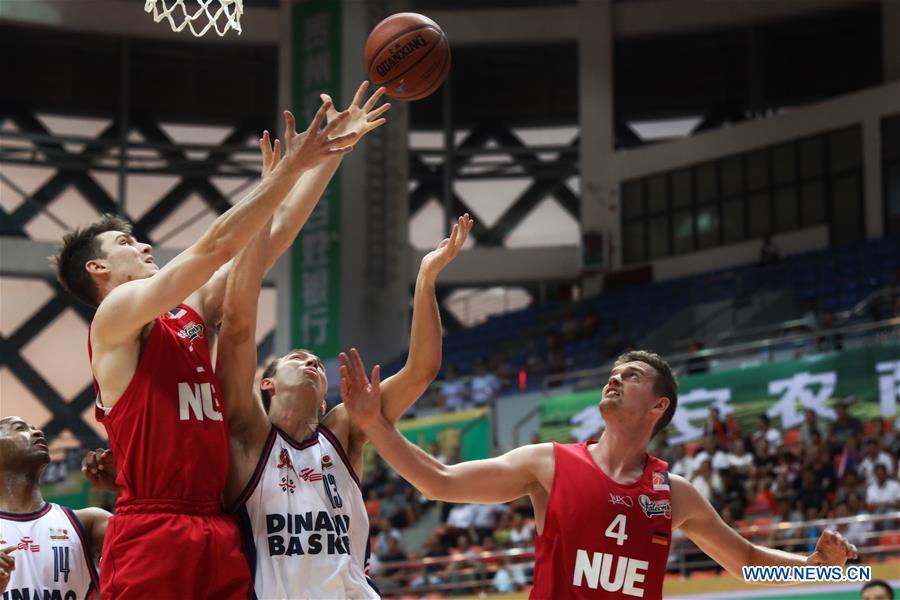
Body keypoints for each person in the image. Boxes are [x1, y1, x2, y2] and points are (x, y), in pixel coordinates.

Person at [60, 86, 385, 598]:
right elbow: (214, 247)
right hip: (154, 528)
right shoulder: (113, 318)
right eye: (125, 242)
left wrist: (330, 153)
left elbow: (269, 238)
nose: (143, 244)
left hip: (217, 525)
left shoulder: (187, 317)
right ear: (97, 269)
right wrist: (281, 173)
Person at [339, 349, 858, 599]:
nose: (615, 379)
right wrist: (372, 425)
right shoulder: (547, 463)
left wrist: (823, 568)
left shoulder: (674, 495)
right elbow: (440, 481)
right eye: (613, 373)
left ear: (659, 405)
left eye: (631, 377)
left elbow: (746, 562)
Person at [208, 203, 469, 597]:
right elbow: (238, 326)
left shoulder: (343, 428)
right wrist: (265, 202)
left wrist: (426, 278)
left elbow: (422, 371)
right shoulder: (249, 438)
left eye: (317, 361)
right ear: (267, 384)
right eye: (298, 358)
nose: (312, 360)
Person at [0, 417, 109, 599]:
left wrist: (125, 487)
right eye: (20, 428)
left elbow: (156, 554)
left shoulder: (89, 523)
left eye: (35, 428)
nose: (37, 432)